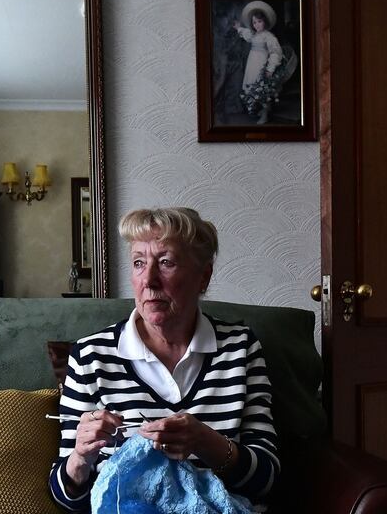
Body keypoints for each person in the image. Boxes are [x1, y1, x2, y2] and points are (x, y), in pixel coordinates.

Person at [48, 207, 279, 511]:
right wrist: (80, 458)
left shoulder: (239, 348)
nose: (149, 280)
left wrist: (205, 441)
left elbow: (267, 479)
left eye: (166, 262)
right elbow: (66, 499)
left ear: (203, 277)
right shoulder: (91, 356)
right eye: (138, 263)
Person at [232, 1, 285, 124]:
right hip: (252, 65)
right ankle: (262, 110)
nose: (256, 25)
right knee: (253, 88)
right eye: (254, 22)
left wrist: (270, 69)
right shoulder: (254, 35)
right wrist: (238, 27)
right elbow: (246, 34)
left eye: (259, 21)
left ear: (265, 21)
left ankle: (265, 114)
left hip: (261, 66)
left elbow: (276, 53)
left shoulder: (269, 37)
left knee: (261, 90)